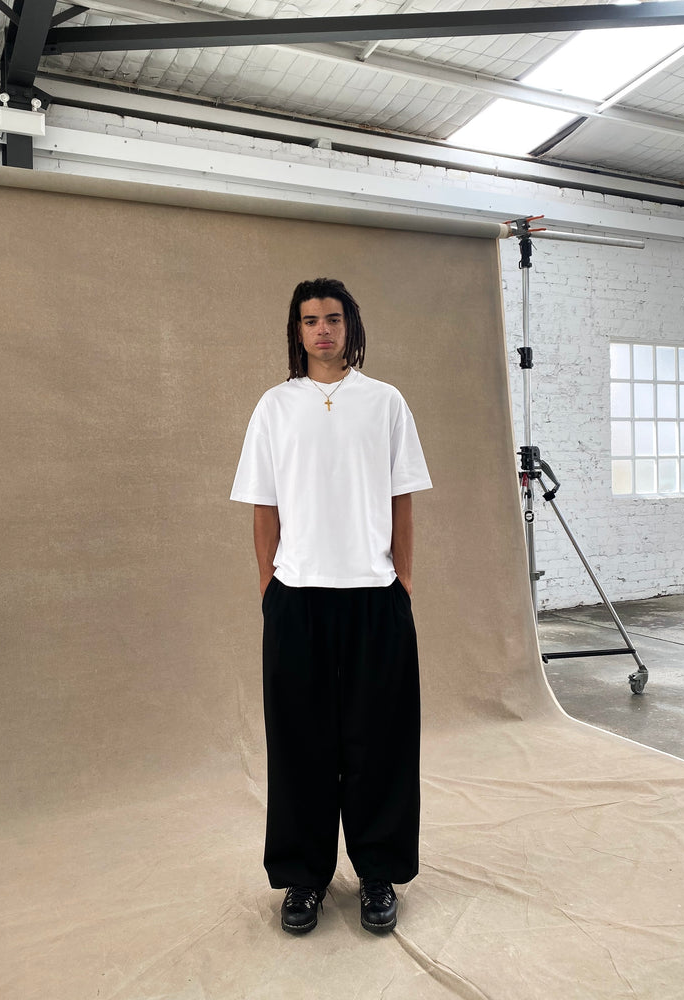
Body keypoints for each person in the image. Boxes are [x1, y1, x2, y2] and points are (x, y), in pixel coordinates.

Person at [230, 277, 432, 935]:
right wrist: (270, 585)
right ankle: (303, 877)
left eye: (333, 319)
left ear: (351, 326)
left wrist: (403, 580)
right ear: (297, 330)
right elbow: (264, 505)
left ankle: (378, 873)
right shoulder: (275, 407)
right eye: (311, 320)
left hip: (375, 597)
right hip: (296, 600)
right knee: (300, 744)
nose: (323, 330)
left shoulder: (385, 402)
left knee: (381, 743)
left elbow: (402, 497)